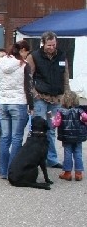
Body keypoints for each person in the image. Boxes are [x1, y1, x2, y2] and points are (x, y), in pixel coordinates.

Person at [26, 31, 70, 169]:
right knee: (38, 130)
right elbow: (28, 77)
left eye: (53, 45)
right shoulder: (34, 56)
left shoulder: (62, 55)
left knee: (52, 129)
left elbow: (65, 76)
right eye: (49, 45)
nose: (51, 47)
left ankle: (52, 159)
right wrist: (34, 94)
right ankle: (35, 158)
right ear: (43, 43)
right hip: (40, 97)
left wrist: (67, 94)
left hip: (56, 98)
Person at [0, 40, 33, 180]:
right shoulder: (24, 65)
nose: (27, 55)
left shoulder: (0, 62)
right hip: (18, 102)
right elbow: (28, 86)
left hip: (3, 102)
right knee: (17, 137)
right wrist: (31, 105)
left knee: (4, 137)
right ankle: (13, 170)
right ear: (23, 50)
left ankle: (2, 171)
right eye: (26, 52)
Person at [52, 90, 86, 181]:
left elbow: (56, 123)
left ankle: (67, 173)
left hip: (66, 137)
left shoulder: (60, 111)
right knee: (78, 153)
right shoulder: (80, 111)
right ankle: (78, 173)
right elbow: (85, 118)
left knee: (67, 153)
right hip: (78, 136)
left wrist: (52, 120)